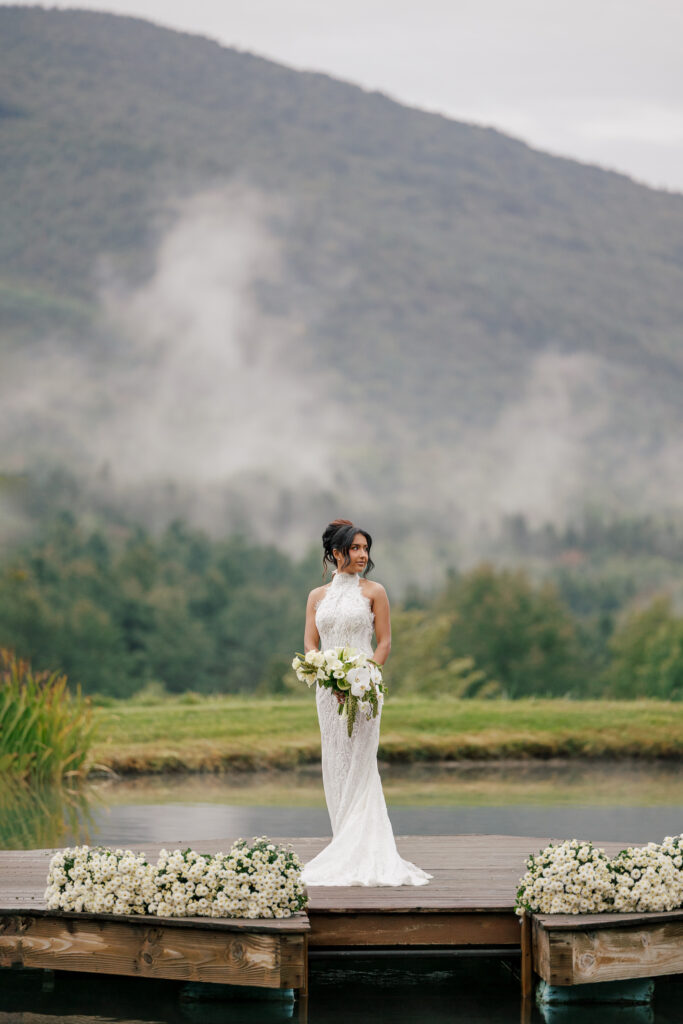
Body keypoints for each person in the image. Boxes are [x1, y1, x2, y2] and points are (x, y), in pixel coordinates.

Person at [300, 518, 431, 887]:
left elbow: (385, 643)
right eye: (355, 548)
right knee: (336, 762)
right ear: (335, 553)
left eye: (365, 548)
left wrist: (362, 678)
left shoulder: (375, 591)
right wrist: (325, 672)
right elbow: (311, 643)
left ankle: (366, 851)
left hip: (365, 688)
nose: (363, 555)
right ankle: (344, 843)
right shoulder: (316, 597)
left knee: (360, 763)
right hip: (327, 691)